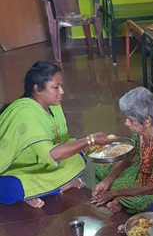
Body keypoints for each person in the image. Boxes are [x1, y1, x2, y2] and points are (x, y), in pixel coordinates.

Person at [0, 61, 113, 209]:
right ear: (37, 89)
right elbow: (52, 154)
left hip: (43, 164)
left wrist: (88, 145)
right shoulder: (25, 113)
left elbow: (63, 140)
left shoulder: (53, 106)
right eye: (56, 87)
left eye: (61, 86)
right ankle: (40, 191)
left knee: (79, 155)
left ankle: (39, 190)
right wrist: (90, 140)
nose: (62, 91)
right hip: (15, 170)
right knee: (11, 188)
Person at [90, 87, 153, 214]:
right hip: (146, 169)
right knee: (102, 168)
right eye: (126, 118)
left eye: (131, 120)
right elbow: (128, 157)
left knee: (141, 203)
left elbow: (151, 188)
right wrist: (106, 181)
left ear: (147, 121)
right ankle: (121, 198)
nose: (126, 123)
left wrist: (112, 193)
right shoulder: (141, 130)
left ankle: (121, 199)